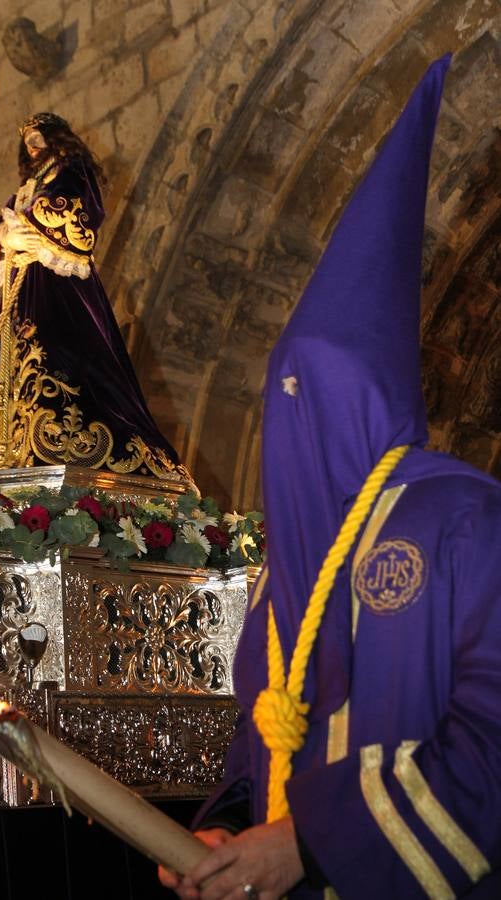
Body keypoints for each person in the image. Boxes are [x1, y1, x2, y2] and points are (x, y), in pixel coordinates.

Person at [160, 54, 501, 898]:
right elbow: (261, 747)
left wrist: (308, 842)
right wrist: (226, 832)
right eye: (285, 391)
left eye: (311, 389)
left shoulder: (462, 518)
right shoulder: (289, 571)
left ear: (370, 395)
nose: (292, 419)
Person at [0, 112, 191, 482]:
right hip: (22, 291)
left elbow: (78, 214)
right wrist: (2, 239)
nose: (32, 146)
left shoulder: (71, 171)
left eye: (38, 138)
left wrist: (23, 228)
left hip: (58, 287)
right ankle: (18, 449)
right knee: (18, 368)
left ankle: (67, 441)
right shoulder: (25, 190)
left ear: (56, 137)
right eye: (27, 142)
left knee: (62, 355)